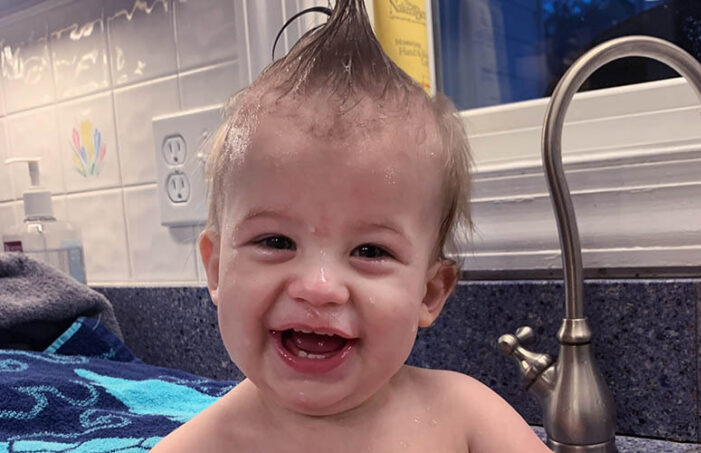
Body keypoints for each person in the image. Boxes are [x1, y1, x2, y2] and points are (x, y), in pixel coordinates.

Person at [151, 1, 550, 451]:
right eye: (276, 241)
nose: (319, 287)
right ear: (217, 268)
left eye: (370, 251)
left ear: (430, 291)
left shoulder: (467, 418)